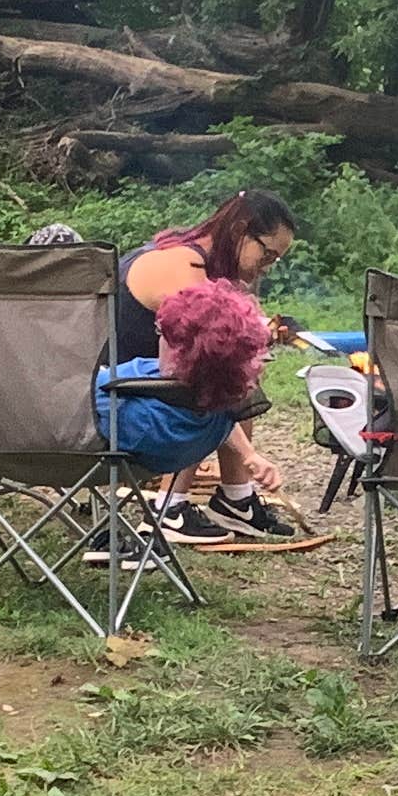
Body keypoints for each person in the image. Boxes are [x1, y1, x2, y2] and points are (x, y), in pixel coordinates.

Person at [116, 189, 315, 545]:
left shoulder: (202, 264)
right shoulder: (182, 267)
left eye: (276, 260)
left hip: (133, 388)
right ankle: (170, 508)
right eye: (267, 254)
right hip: (120, 402)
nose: (266, 266)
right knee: (220, 374)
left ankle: (235, 500)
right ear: (240, 230)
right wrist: (251, 455)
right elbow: (202, 369)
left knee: (235, 370)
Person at [95, 279, 276, 556]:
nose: (158, 338)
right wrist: (249, 455)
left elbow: (76, 400)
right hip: (166, 458)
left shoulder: (136, 402)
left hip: (80, 451)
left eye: (162, 332)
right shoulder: (214, 411)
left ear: (176, 347)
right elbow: (222, 414)